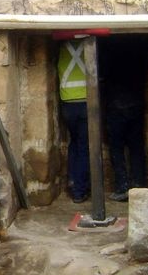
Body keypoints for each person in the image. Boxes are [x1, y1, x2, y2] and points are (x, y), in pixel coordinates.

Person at [99, 35, 148, 202]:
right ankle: (139, 184)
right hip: (135, 102)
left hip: (115, 105)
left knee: (116, 147)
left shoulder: (107, 49)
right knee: (136, 146)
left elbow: (102, 76)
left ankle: (122, 186)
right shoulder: (138, 47)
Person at [57, 39, 89, 203]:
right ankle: (80, 190)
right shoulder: (88, 43)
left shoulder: (63, 46)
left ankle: (72, 181)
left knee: (74, 143)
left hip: (67, 103)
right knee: (84, 146)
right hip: (85, 102)